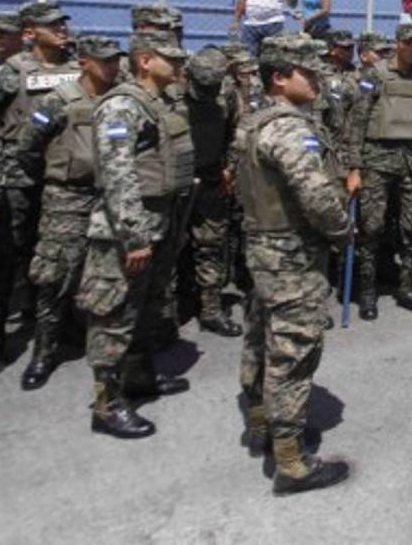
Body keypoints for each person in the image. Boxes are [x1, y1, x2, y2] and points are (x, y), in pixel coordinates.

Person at [235, 35, 351, 495]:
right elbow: (317, 196)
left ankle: (260, 422)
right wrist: (342, 229)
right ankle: (291, 461)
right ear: (280, 78)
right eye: (309, 71)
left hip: (263, 247)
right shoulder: (287, 127)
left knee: (262, 337)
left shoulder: (253, 121)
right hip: (292, 254)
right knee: (294, 349)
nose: (318, 77)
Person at [77, 31, 194, 439]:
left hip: (159, 222)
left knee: (145, 309)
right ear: (144, 61)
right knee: (114, 315)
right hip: (127, 231)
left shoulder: (158, 104)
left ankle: (139, 378)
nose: (179, 65)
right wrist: (134, 236)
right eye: (170, 58)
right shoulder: (122, 106)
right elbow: (117, 174)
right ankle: (106, 405)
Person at [16, 35, 124, 390]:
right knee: (55, 276)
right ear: (84, 62)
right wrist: (54, 174)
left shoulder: (121, 99)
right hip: (67, 198)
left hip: (108, 195)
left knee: (106, 273)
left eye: (114, 60)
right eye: (103, 60)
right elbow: (28, 146)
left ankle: (94, 342)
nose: (112, 66)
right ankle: (43, 352)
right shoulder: (58, 100)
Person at [0, 0, 79, 374]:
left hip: (60, 176)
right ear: (29, 33)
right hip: (17, 177)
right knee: (7, 256)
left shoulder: (76, 68)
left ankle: (53, 335)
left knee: (58, 258)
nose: (61, 29)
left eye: (62, 23)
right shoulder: (12, 72)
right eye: (51, 24)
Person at [344, 23, 412, 319]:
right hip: (378, 158)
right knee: (372, 228)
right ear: (397, 43)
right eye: (408, 42)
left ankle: (406, 287)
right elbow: (357, 122)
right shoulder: (375, 74)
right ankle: (368, 292)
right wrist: (354, 167)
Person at [183, 46, 244, 337]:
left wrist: (229, 167)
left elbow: (236, 131)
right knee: (170, 249)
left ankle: (210, 310)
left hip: (211, 178)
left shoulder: (228, 92)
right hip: (176, 182)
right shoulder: (171, 93)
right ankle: (167, 312)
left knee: (211, 245)